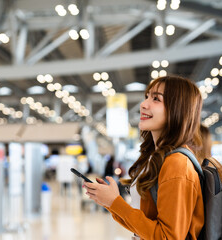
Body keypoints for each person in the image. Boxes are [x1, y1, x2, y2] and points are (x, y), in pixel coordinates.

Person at [84, 76, 204, 239]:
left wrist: (115, 203)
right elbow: (145, 225)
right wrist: (111, 203)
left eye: (156, 99)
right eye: (147, 96)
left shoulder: (177, 164)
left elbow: (168, 237)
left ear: (177, 108)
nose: (143, 104)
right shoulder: (160, 158)